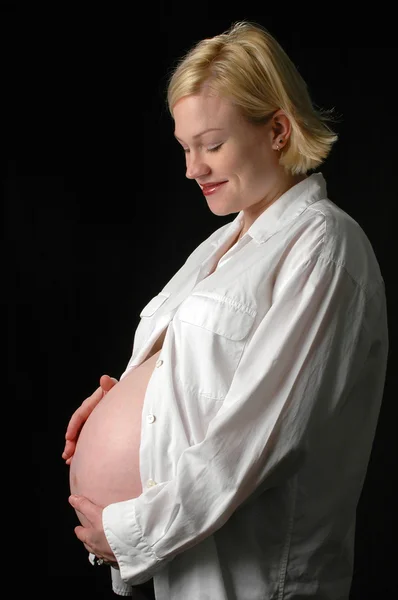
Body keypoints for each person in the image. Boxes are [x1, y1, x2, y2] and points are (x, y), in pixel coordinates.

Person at [63, 20, 389, 599]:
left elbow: (264, 434)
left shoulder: (324, 247)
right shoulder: (221, 244)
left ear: (279, 131)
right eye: (185, 149)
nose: (194, 169)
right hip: (182, 574)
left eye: (212, 145)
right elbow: (203, 377)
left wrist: (136, 530)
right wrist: (125, 399)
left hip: (255, 581)